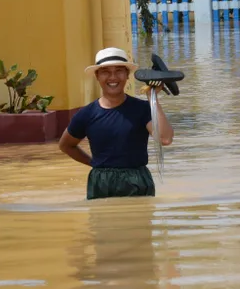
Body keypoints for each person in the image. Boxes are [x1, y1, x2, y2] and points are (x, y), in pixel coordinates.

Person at [59, 47, 174, 200]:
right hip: (101, 182)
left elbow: (165, 139)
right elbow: (65, 145)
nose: (113, 77)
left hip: (137, 180)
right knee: (102, 223)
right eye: (105, 71)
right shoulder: (86, 114)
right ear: (97, 76)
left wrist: (152, 97)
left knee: (139, 223)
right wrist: (94, 163)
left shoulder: (142, 109)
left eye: (119, 71)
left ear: (127, 75)